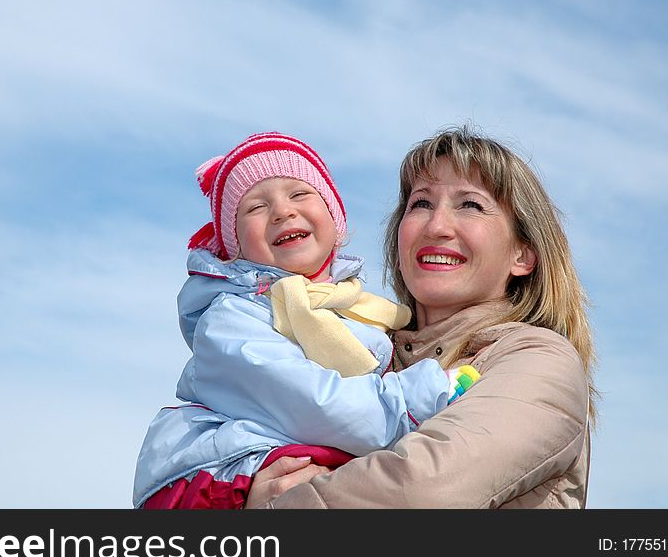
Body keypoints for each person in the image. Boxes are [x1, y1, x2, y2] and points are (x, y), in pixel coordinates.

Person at [245, 125, 598, 509]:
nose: (436, 227)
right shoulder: (358, 350)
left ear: (523, 255)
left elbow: (423, 489)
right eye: (421, 204)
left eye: (470, 205)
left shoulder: (539, 361)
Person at [132, 131, 480, 509]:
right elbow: (309, 404)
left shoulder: (360, 310)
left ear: (335, 218)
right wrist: (416, 398)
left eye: (299, 194)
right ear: (236, 247)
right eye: (255, 207)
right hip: (219, 476)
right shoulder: (233, 317)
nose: (282, 211)